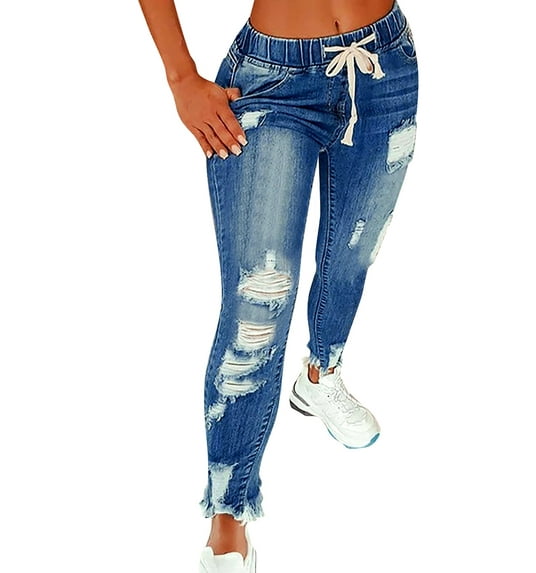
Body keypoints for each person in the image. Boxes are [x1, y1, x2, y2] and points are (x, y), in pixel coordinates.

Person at [138, 0, 418, 570]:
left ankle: (320, 375)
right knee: (258, 305)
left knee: (352, 256)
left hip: (385, 66)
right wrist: (181, 78)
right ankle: (228, 512)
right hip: (271, 82)